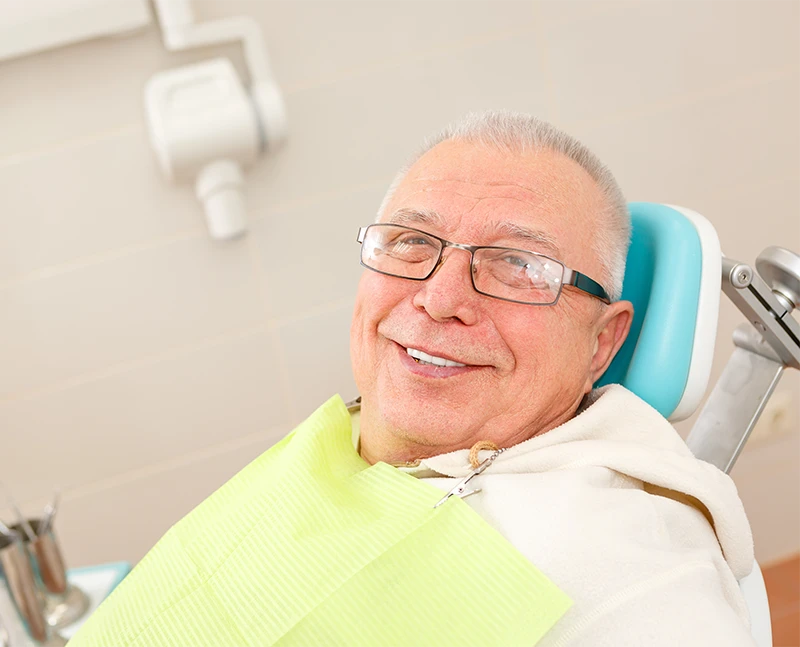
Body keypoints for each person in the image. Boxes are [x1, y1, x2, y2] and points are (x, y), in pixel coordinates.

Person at [70, 112, 756, 647]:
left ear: (603, 340)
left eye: (518, 265)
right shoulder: (347, 437)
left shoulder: (624, 564)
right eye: (412, 243)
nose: (438, 297)